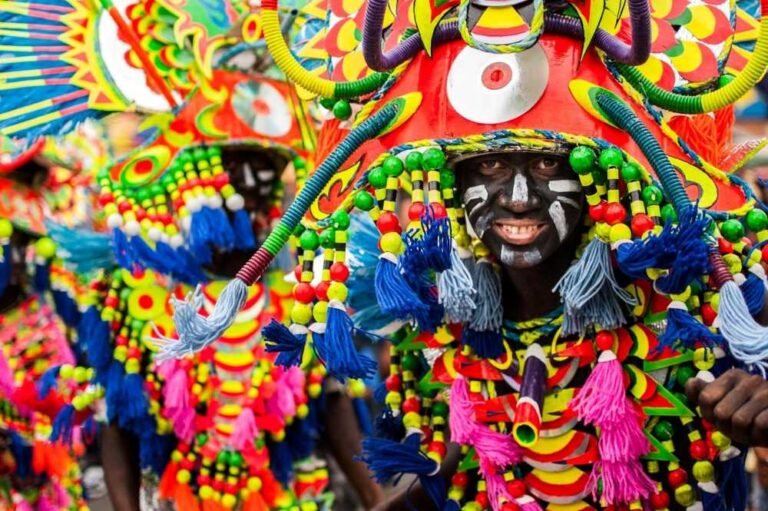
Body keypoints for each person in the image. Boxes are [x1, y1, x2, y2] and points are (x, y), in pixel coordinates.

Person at [176, 0, 768, 508]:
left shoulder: (694, 305)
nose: (516, 197)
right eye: (486, 166)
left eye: (545, 164)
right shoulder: (443, 327)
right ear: (451, 187)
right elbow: (453, 484)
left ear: (602, 180)